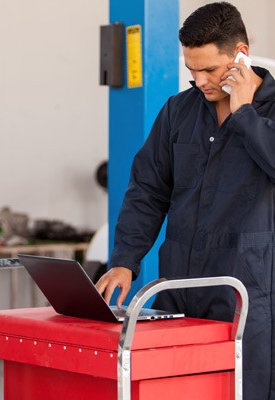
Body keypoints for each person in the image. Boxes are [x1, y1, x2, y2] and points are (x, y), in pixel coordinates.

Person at [95, 2, 275, 399]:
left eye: (209, 69)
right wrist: (125, 260)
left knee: (245, 388)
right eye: (191, 69)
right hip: (180, 282)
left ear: (241, 53)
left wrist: (244, 113)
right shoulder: (179, 111)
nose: (200, 80)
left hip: (245, 288)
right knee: (180, 387)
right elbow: (147, 190)